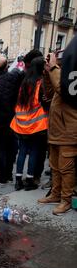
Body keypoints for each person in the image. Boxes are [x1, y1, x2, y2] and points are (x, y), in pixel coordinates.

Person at [37, 45, 77, 215]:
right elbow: (50, 92)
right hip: (55, 131)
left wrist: (53, 67)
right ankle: (55, 194)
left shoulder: (71, 77)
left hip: (69, 132)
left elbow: (65, 90)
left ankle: (66, 200)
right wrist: (47, 73)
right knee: (54, 166)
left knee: (66, 168)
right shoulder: (61, 74)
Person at [11, 57, 49, 191]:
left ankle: (17, 181)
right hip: (35, 125)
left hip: (21, 123)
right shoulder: (40, 83)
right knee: (33, 152)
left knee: (21, 151)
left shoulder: (24, 83)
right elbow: (44, 103)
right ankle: (29, 180)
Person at [0, 56, 23, 184]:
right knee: (11, 149)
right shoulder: (14, 77)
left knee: (1, 149)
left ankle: (3, 175)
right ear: (7, 66)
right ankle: (9, 173)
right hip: (13, 120)